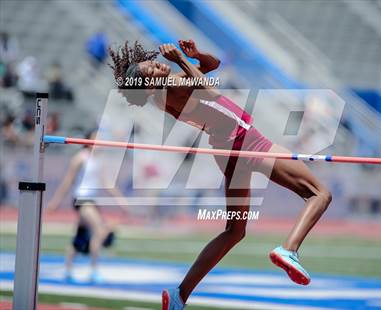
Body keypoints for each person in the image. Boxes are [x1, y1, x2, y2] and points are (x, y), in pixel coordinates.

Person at [108, 40, 332, 309]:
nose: (157, 64)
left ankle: (180, 295)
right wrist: (181, 59)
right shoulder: (171, 89)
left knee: (234, 230)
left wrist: (195, 56)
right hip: (246, 143)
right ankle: (290, 249)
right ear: (148, 85)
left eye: (153, 62)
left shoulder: (164, 91)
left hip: (226, 148)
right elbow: (210, 89)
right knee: (319, 193)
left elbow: (213, 66)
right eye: (151, 70)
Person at [47, 130, 127, 282]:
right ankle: (94, 270)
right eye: (95, 138)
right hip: (82, 200)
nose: (99, 141)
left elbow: (107, 183)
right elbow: (67, 181)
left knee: (80, 236)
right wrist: (55, 202)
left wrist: (120, 200)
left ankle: (68, 269)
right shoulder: (80, 158)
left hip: (92, 201)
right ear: (88, 140)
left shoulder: (99, 160)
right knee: (99, 230)